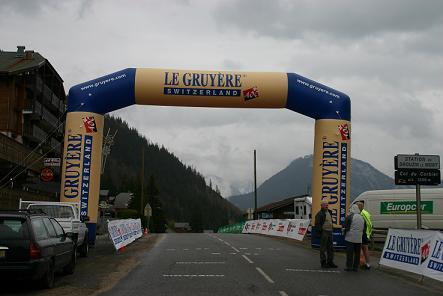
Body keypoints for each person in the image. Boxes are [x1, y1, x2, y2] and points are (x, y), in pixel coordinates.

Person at [314, 200, 337, 268]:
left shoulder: (329, 212)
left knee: (331, 248)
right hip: (324, 232)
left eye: (327, 204)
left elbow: (330, 221)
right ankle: (323, 263)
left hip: (330, 231)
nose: (327, 206)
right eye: (325, 205)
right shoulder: (319, 214)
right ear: (321, 206)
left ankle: (330, 262)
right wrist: (321, 232)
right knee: (323, 248)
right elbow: (317, 224)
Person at [344, 204, 365, 271]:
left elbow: (345, 226)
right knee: (357, 253)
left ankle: (349, 266)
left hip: (350, 237)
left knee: (350, 253)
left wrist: (345, 233)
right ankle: (356, 267)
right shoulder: (362, 217)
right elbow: (364, 228)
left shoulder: (350, 216)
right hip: (359, 238)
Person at [357, 201, 372, 269]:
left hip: (362, 234)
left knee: (361, 249)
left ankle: (362, 263)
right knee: (365, 249)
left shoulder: (362, 213)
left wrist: (368, 234)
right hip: (365, 234)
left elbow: (368, 224)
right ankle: (367, 263)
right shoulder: (365, 213)